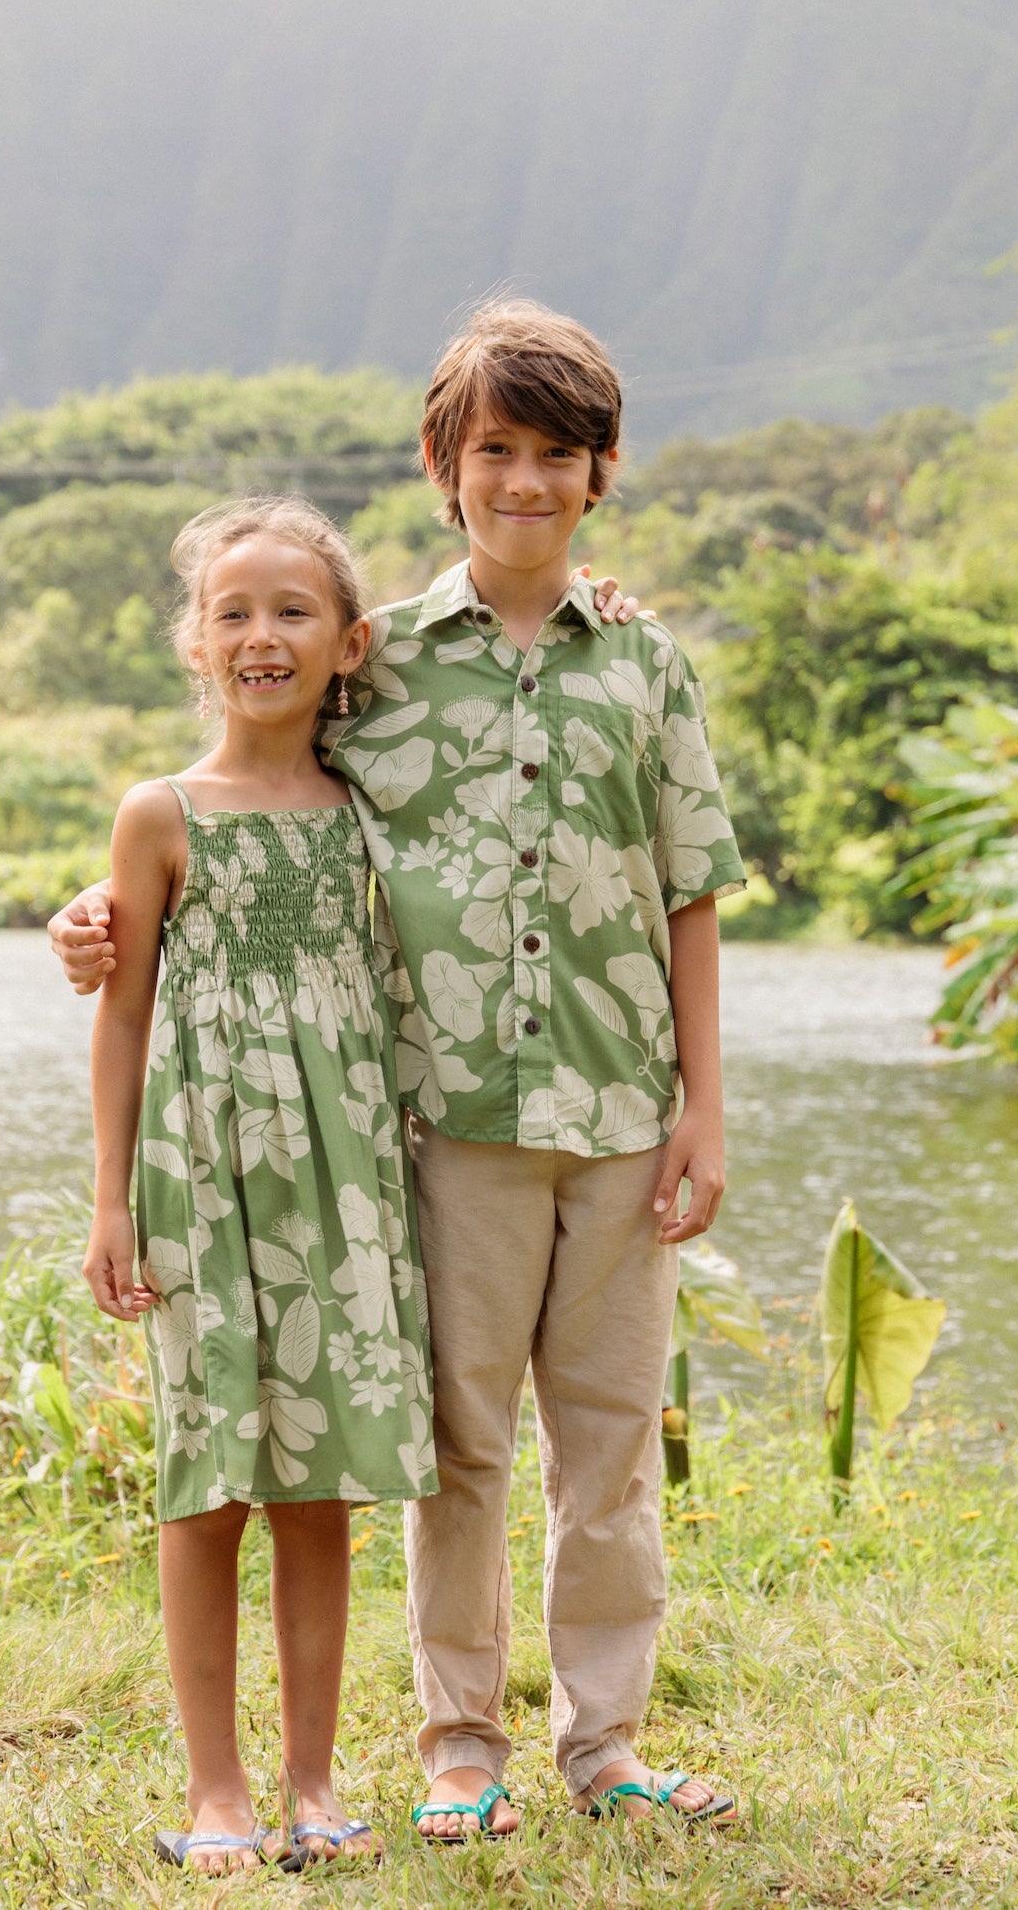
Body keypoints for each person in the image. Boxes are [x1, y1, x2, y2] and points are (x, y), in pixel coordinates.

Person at [55, 301, 746, 1843]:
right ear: (446, 469)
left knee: (611, 1449)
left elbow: (690, 891)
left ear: (602, 471)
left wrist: (706, 1106)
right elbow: (253, 775)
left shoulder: (646, 663)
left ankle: (607, 1744)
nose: (525, 481)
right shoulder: (383, 666)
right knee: (461, 1447)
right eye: (495, 451)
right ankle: (460, 1749)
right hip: (452, 1116)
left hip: (624, 1109)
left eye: (557, 454)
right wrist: (103, 908)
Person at [83, 496, 436, 1877]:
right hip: (201, 1177)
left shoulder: (370, 809)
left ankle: (313, 1784)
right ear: (196, 642)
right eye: (231, 612)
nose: (261, 635)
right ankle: (217, 1791)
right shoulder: (159, 815)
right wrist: (110, 1201)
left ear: (350, 643)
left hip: (343, 1184)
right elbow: (122, 1012)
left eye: (293, 611)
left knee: (318, 1484)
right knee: (206, 1477)